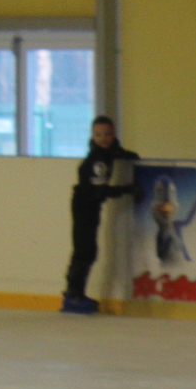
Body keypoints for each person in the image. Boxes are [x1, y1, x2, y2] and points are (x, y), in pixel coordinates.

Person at [60, 116, 139, 315]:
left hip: (91, 206)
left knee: (88, 251)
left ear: (113, 135)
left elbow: (121, 153)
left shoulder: (108, 153)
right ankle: (72, 295)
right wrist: (128, 189)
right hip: (84, 206)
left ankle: (75, 293)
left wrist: (130, 157)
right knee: (84, 251)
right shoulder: (98, 161)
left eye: (107, 134)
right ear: (92, 136)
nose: (103, 138)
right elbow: (100, 192)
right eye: (98, 135)